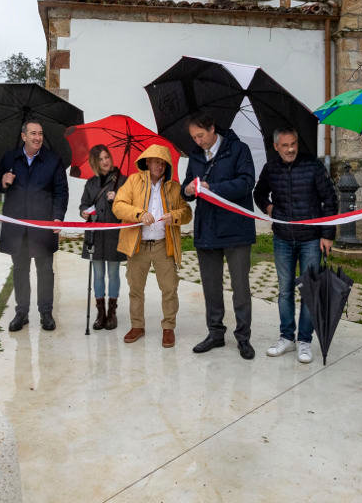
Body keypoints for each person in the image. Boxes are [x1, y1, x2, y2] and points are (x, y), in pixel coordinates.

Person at [253, 128, 338, 364]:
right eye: (285, 145)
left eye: (294, 144)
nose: (291, 149)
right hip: (282, 238)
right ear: (277, 147)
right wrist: (269, 209)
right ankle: (286, 337)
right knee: (285, 290)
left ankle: (305, 341)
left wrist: (328, 234)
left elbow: (330, 199)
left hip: (311, 238)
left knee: (309, 288)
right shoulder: (271, 168)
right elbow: (259, 193)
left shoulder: (313, 166)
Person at [181, 111, 257, 359]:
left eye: (201, 135)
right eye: (194, 137)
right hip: (207, 230)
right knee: (211, 286)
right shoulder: (195, 155)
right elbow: (185, 189)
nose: (198, 141)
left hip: (236, 229)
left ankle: (243, 338)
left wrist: (214, 188)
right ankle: (215, 333)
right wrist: (189, 190)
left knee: (240, 287)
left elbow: (247, 183)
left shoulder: (239, 150)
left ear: (213, 128)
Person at [0, 119, 69, 332]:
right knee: (20, 270)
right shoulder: (10, 158)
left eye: (40, 134)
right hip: (16, 228)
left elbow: (61, 191)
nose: (38, 138)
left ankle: (46, 312)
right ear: (23, 136)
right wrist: (3, 181)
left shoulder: (53, 160)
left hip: (42, 227)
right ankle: (21, 313)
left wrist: (57, 217)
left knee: (45, 270)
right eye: (33, 133)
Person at [112, 144, 192, 348]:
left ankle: (168, 328)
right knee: (135, 288)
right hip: (137, 245)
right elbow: (118, 206)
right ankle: (137, 326)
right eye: (156, 161)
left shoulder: (174, 187)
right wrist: (139, 214)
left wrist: (173, 216)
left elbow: (187, 212)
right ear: (147, 161)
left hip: (163, 245)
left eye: (164, 162)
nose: (160, 165)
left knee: (169, 288)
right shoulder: (133, 181)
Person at [79, 145, 127, 330]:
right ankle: (101, 313)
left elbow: (130, 205)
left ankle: (112, 312)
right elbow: (84, 204)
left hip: (114, 234)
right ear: (95, 162)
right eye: (100, 159)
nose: (105, 161)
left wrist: (118, 197)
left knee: (113, 274)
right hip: (95, 235)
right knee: (98, 274)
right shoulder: (90, 183)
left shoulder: (122, 181)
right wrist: (83, 211)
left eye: (107, 157)